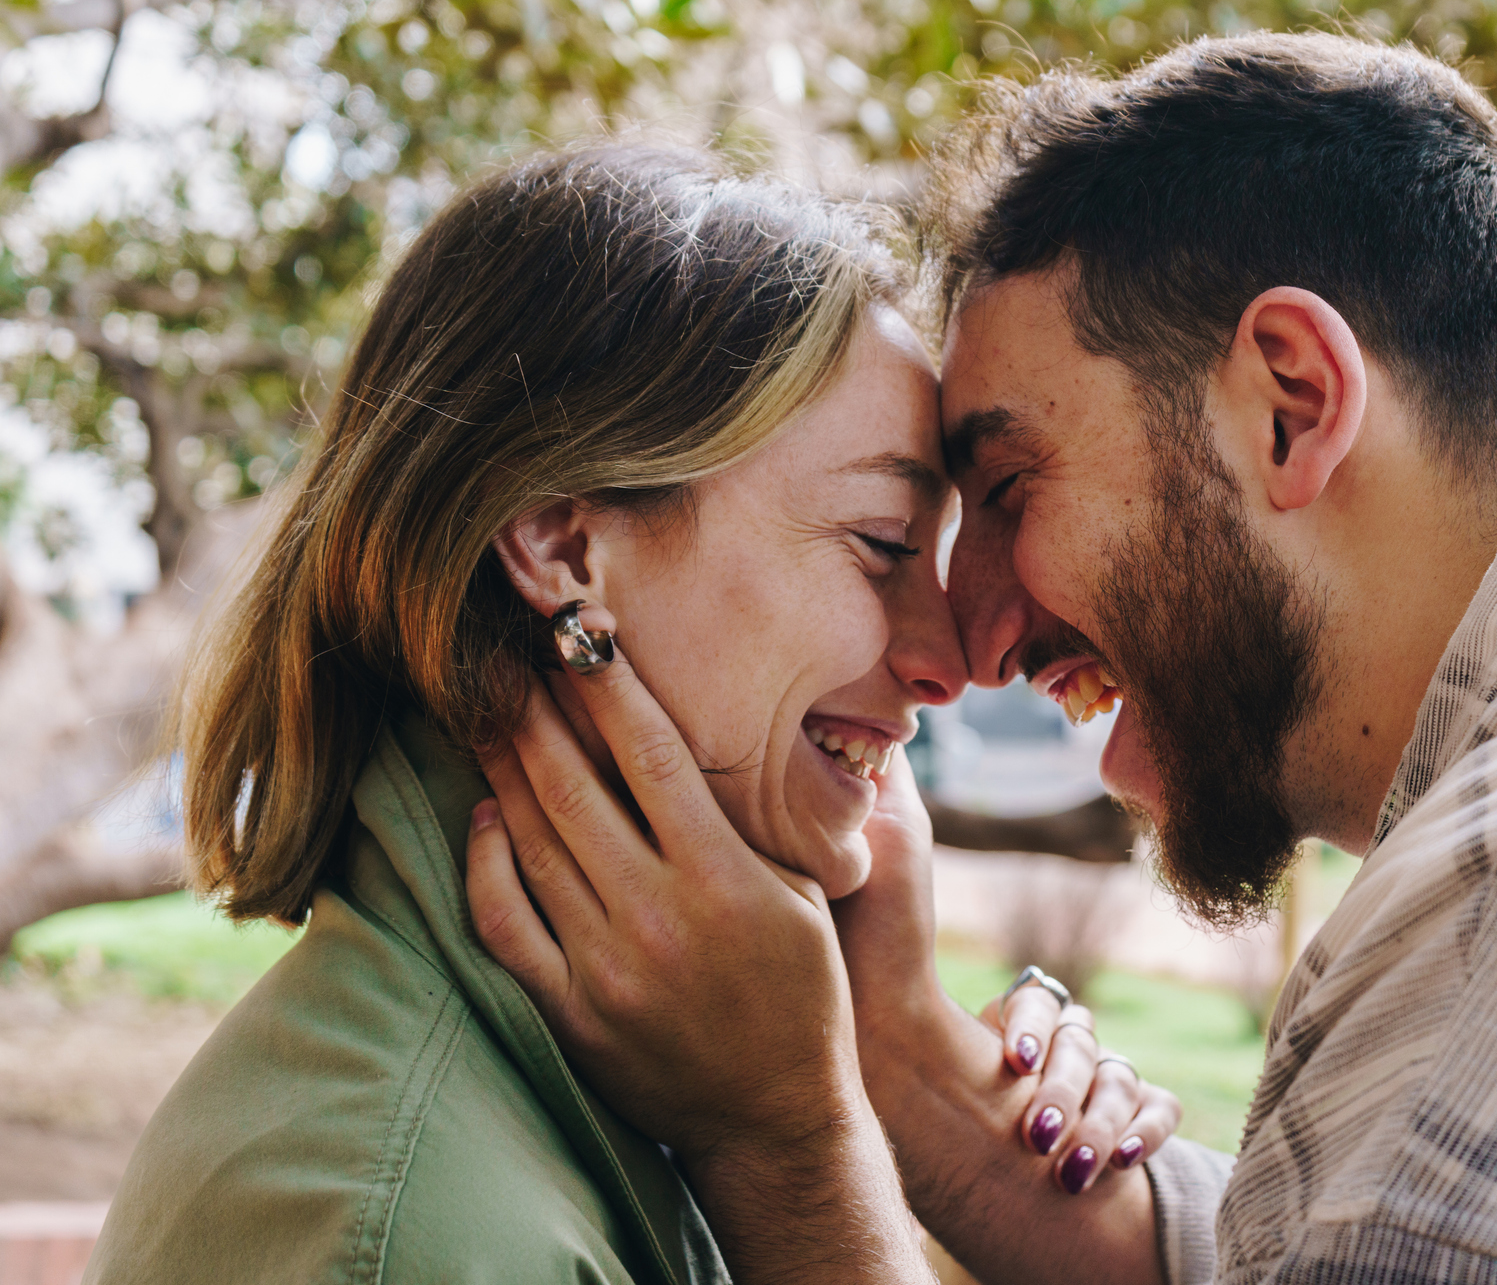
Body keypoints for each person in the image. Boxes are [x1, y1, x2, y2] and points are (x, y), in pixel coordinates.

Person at [467, 34, 1497, 1285]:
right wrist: (919, 1084)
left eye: (1009, 486)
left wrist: (790, 1142)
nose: (971, 639)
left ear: (1293, 400)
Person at [85, 145, 1175, 1285]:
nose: (949, 661)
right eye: (883, 547)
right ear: (561, 547)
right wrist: (796, 1148)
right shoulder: (405, 1233)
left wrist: (898, 1065)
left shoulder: (635, 1081)